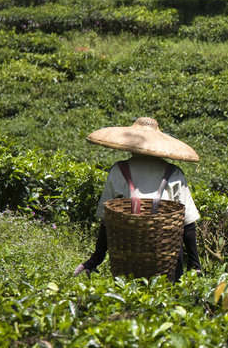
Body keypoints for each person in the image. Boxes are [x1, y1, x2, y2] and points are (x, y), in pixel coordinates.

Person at [73, 117, 202, 281]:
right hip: (167, 259)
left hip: (128, 257)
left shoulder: (118, 171)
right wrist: (195, 265)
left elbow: (107, 220)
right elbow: (188, 225)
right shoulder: (174, 174)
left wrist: (95, 259)